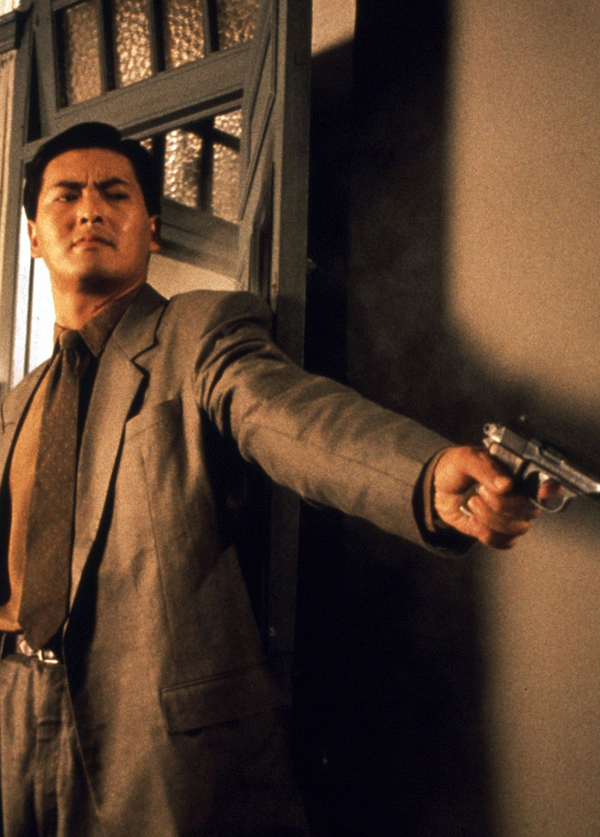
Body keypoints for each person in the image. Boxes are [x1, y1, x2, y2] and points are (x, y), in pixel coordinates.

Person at [0, 122, 542, 837]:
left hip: (152, 743)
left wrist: (424, 475)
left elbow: (291, 419)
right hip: (13, 710)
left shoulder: (198, 333)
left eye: (115, 193)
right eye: (67, 195)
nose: (91, 210)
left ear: (152, 230)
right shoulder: (19, 401)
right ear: (33, 235)